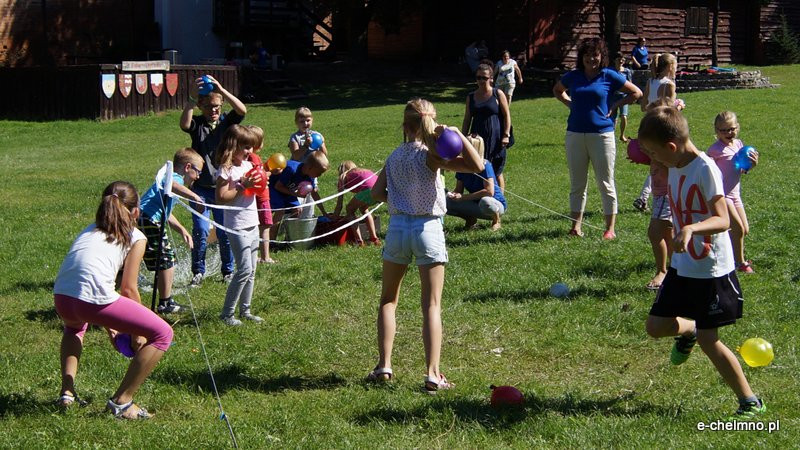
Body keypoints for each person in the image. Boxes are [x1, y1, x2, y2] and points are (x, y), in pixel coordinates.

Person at [639, 105, 765, 420]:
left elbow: (723, 219)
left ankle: (749, 400)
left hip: (711, 270)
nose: (653, 160)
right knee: (656, 327)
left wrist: (693, 228)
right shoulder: (675, 165)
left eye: (655, 154)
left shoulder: (704, 168)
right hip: (683, 266)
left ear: (671, 147)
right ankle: (689, 329)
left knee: (712, 341)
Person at [366, 98, 484, 393]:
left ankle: (384, 366)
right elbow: (477, 165)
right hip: (427, 229)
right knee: (431, 304)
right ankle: (432, 373)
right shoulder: (431, 156)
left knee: (388, 301)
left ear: (405, 125)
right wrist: (456, 132)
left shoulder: (394, 156)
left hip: (397, 229)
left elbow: (377, 192)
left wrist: (399, 197)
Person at [53, 181, 173, 419]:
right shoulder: (136, 236)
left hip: (63, 296)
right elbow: (128, 289)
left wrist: (113, 324)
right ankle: (122, 402)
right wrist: (137, 332)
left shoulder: (89, 229)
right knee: (163, 334)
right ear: (136, 212)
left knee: (74, 328)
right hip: (91, 300)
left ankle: (66, 393)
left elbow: (93, 283)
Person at [552, 38, 642, 239]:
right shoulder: (574, 76)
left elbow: (636, 92)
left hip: (602, 135)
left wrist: (616, 104)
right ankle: (576, 227)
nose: (591, 59)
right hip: (575, 134)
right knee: (577, 184)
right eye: (587, 55)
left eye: (595, 55)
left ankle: (610, 228)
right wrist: (570, 104)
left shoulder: (608, 75)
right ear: (581, 57)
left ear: (601, 57)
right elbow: (557, 90)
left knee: (605, 183)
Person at [180, 75, 247, 287]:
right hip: (200, 189)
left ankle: (227, 270)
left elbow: (242, 111)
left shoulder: (226, 123)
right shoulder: (198, 124)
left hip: (221, 189)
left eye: (217, 106)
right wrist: (192, 97)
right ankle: (197, 272)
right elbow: (184, 123)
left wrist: (221, 88)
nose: (214, 110)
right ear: (201, 106)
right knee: (200, 230)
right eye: (208, 106)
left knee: (223, 231)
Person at [139, 148, 206, 314]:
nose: (198, 177)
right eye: (197, 172)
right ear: (187, 167)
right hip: (149, 220)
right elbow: (170, 184)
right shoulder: (174, 178)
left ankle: (164, 301)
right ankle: (165, 303)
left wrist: (182, 229)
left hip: (145, 218)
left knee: (133, 261)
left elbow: (165, 213)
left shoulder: (172, 180)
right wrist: (195, 197)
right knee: (167, 259)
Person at [214, 125, 264, 326]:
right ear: (232, 146)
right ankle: (227, 314)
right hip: (237, 225)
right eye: (245, 147)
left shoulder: (247, 166)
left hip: (252, 222)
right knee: (243, 269)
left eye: (250, 147)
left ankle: (246, 310)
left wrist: (261, 182)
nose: (249, 151)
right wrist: (243, 186)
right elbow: (221, 198)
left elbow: (255, 190)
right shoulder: (225, 170)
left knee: (251, 270)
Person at [707, 111, 759, 273]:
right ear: (716, 131)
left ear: (738, 128)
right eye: (723, 130)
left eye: (732, 129)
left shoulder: (738, 144)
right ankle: (739, 263)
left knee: (745, 229)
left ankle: (720, 251)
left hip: (735, 194)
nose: (728, 133)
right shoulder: (715, 150)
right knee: (738, 230)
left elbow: (740, 168)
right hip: (722, 195)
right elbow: (707, 171)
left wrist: (751, 166)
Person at [634, 53, 678, 212]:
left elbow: (643, 106)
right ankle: (650, 197)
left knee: (656, 163)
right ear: (670, 67)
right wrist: (679, 106)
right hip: (664, 127)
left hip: (649, 125)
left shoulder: (650, 82)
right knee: (668, 163)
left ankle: (644, 197)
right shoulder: (669, 85)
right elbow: (670, 109)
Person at [462, 63, 512, 193]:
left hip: (495, 137)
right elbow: (467, 119)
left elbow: (507, 116)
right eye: (478, 77)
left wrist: (506, 135)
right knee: (478, 166)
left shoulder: (497, 93)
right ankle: (481, 195)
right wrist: (463, 137)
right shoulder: (471, 97)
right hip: (477, 138)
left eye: (484, 78)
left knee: (496, 169)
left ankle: (499, 199)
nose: (481, 81)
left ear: (491, 78)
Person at [446, 136, 506, 231]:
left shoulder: (485, 165)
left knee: (485, 201)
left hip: (494, 205)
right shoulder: (461, 166)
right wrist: (453, 195)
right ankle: (470, 220)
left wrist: (463, 197)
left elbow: (489, 192)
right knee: (445, 201)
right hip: (476, 204)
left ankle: (496, 220)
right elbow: (458, 190)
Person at [269, 151, 330, 239]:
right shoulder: (291, 169)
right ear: (310, 167)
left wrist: (324, 212)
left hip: (287, 190)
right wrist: (294, 193)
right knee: (280, 210)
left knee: (297, 210)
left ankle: (289, 239)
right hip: (274, 188)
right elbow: (278, 186)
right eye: (319, 173)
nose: (319, 175)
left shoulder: (310, 176)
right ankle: (272, 240)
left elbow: (314, 194)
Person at [245, 125, 276, 264]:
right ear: (257, 143)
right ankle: (265, 257)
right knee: (265, 226)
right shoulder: (254, 157)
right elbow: (260, 177)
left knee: (255, 227)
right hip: (262, 197)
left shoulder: (248, 157)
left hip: (251, 197)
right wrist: (272, 172)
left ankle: (255, 256)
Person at [332, 160, 380, 246]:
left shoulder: (343, 176)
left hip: (368, 190)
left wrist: (335, 216)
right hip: (379, 190)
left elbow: (340, 202)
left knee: (349, 209)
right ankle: (374, 238)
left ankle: (359, 241)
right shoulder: (363, 170)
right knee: (363, 208)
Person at [609, 52, 633, 143]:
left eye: (623, 59)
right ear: (614, 60)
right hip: (612, 97)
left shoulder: (627, 71)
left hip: (624, 97)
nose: (621, 61)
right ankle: (612, 135)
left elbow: (630, 84)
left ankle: (622, 135)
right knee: (613, 117)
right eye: (619, 59)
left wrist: (631, 96)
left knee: (624, 116)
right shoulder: (610, 71)